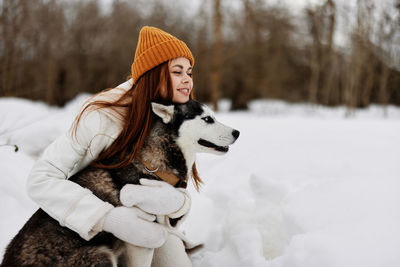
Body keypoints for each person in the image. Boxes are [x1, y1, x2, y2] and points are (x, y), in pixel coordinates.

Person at [27, 26, 198, 266]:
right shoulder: (102, 118)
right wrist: (109, 218)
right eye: (177, 71)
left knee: (175, 259)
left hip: (140, 225)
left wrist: (180, 204)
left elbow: (167, 188)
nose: (187, 79)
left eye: (189, 72)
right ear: (153, 75)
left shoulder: (175, 119)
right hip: (79, 235)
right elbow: (40, 179)